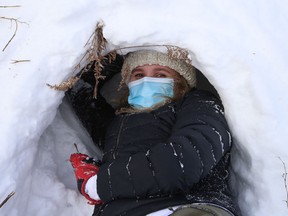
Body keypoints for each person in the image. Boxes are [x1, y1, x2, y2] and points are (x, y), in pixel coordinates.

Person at [66, 48, 241, 216]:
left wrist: (101, 182)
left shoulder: (198, 103)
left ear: (181, 82)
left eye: (160, 75)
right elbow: (81, 89)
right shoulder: (117, 124)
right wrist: (117, 54)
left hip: (185, 208)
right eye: (138, 75)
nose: (146, 81)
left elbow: (182, 162)